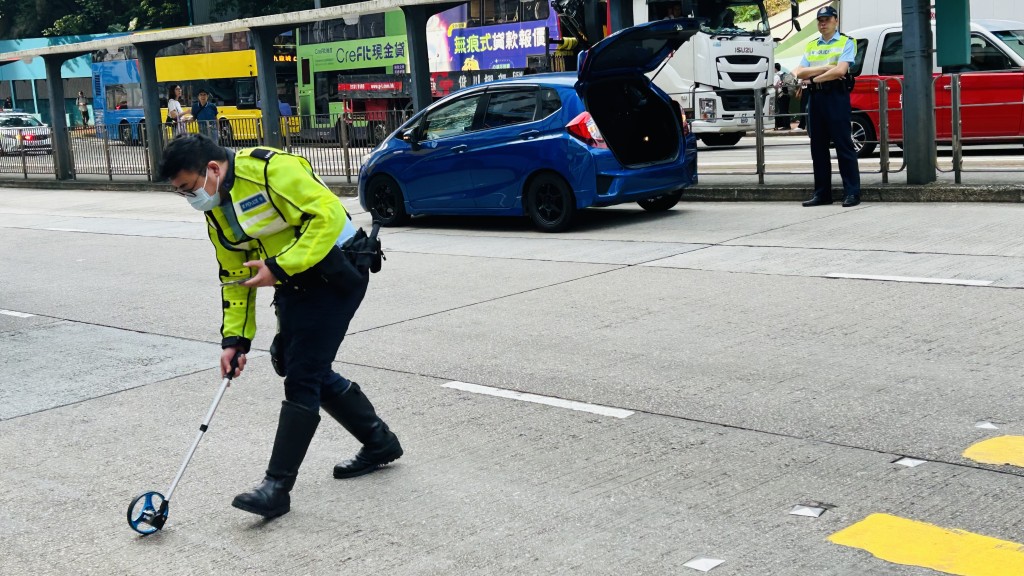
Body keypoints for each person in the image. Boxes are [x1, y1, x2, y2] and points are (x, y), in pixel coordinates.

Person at [158, 134, 403, 519]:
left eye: (189, 188)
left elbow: (327, 217)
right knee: (290, 361)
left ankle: (276, 488)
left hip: (338, 268)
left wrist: (279, 266)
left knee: (303, 374)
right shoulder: (217, 212)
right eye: (181, 193)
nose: (191, 198)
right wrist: (235, 340)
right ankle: (379, 441)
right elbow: (235, 274)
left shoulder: (272, 170)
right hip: (292, 279)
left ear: (212, 169)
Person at [792, 5, 861, 208]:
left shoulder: (847, 42)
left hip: (835, 95)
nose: (823, 23)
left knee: (843, 145)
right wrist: (824, 68)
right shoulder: (812, 45)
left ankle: (852, 193)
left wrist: (814, 78)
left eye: (827, 20)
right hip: (816, 98)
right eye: (820, 20)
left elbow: (840, 71)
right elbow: (799, 72)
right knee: (818, 147)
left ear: (836, 21)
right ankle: (822, 193)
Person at [773, 63, 791, 130]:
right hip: (788, 94)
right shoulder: (785, 74)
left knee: (782, 110)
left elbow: (774, 86)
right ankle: (787, 125)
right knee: (786, 110)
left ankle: (786, 126)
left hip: (781, 95)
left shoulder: (776, 76)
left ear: (775, 68)